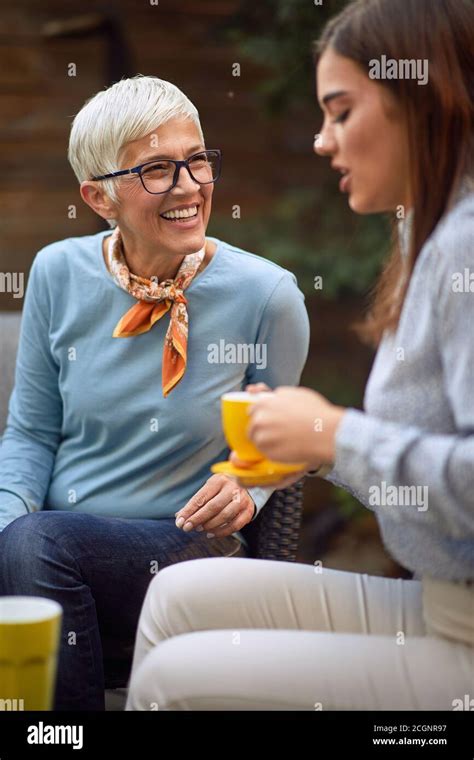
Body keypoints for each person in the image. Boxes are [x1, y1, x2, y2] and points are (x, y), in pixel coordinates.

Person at [125, 0, 474, 711]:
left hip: (462, 638)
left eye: (341, 112)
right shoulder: (431, 236)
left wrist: (333, 432)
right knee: (176, 595)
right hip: (440, 607)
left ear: (426, 99)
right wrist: (318, 452)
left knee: (173, 679)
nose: (321, 141)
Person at [0, 75, 309, 710]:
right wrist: (5, 524)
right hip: (53, 545)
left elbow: (286, 437)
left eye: (196, 160)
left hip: (187, 547)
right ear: (99, 196)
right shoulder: (57, 272)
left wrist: (250, 481)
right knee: (28, 542)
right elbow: (31, 432)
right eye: (158, 170)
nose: (190, 186)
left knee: (36, 546)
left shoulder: (268, 296)